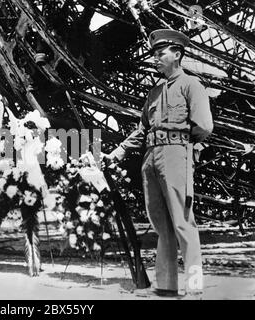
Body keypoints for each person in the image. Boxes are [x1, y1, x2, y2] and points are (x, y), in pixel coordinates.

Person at [104, 29, 213, 298]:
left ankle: (196, 288)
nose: (155, 58)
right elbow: (142, 130)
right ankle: (165, 286)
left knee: (183, 224)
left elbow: (204, 126)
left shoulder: (191, 85)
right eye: (154, 53)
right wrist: (117, 152)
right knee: (161, 227)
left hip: (176, 155)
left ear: (177, 55)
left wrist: (184, 144)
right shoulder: (153, 93)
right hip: (150, 158)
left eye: (160, 53)